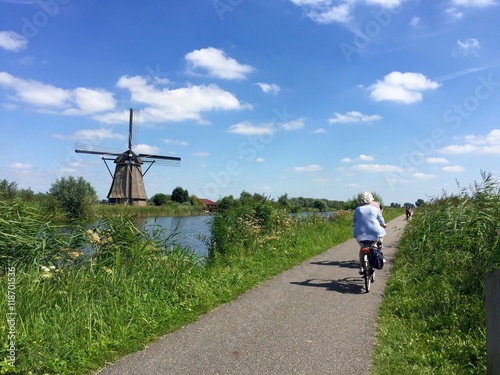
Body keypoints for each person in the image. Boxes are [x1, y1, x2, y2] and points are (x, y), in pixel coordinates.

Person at [353, 192, 387, 274]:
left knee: (362, 248)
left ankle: (361, 267)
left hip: (360, 234)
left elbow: (354, 220)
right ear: (371, 200)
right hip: (374, 233)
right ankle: (378, 259)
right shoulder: (375, 209)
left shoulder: (357, 209)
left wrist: (354, 224)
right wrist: (383, 224)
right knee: (374, 245)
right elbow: (381, 220)